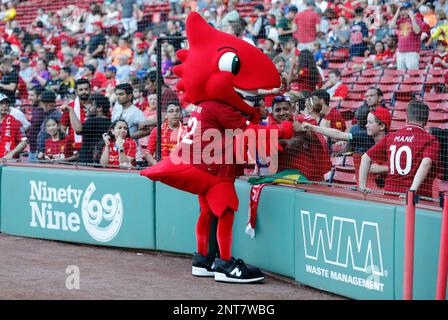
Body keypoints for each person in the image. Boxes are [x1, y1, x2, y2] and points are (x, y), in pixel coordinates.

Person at [140, 13, 300, 284]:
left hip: (199, 165)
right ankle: (225, 264)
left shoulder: (203, 103)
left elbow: (242, 101)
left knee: (205, 211)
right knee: (225, 210)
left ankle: (202, 258)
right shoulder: (220, 107)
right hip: (214, 172)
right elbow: (249, 134)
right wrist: (285, 129)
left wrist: (267, 92)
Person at [359, 101, 440, 198]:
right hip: (417, 199)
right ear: (426, 121)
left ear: (406, 118)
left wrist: (362, 186)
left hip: (390, 194)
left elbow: (365, 157)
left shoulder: (392, 136)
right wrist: (411, 192)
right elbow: (426, 163)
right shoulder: (430, 139)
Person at [269, 94, 332, 182]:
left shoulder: (305, 121)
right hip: (282, 179)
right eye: (278, 110)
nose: (282, 113)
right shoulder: (270, 128)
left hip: (311, 179)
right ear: (272, 112)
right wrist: (301, 134)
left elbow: (318, 139)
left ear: (292, 109)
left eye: (285, 109)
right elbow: (288, 146)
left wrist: (303, 129)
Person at [303, 105, 392, 155]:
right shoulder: (363, 135)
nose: (366, 125)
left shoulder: (392, 142)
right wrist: (313, 127)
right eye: (366, 121)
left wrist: (382, 168)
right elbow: (338, 134)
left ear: (381, 126)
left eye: (370, 122)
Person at [61, 93, 111, 164]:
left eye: (92, 105)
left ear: (99, 108)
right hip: (99, 163)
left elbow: (78, 130)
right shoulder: (109, 122)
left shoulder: (92, 120)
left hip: (87, 164)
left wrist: (71, 110)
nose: (88, 108)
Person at [389, 2, 425, 70]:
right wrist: (397, 13)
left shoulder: (417, 19)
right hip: (400, 52)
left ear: (410, 9)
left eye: (405, 9)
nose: (403, 12)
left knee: (412, 75)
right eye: (402, 10)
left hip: (412, 52)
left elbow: (417, 31)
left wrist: (412, 18)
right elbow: (391, 26)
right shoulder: (400, 20)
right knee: (401, 75)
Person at [60, 79, 91, 152]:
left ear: (90, 90)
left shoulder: (97, 106)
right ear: (76, 91)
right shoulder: (70, 107)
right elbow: (63, 129)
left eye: (86, 89)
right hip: (73, 148)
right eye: (81, 90)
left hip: (93, 147)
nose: (84, 92)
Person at [0, 93, 27, 159]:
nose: (4, 106)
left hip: (7, 162)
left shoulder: (15, 122)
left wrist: (11, 153)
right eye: (1, 103)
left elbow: (24, 142)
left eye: (6, 103)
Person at [36, 90, 61, 157]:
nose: (44, 106)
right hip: (43, 152)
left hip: (50, 153)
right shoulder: (47, 115)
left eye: (45, 103)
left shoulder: (56, 116)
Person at [27, 86, 46, 161]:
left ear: (40, 96)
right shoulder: (35, 108)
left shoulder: (45, 111)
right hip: (32, 150)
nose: (29, 97)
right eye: (29, 95)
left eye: (32, 95)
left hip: (39, 152)